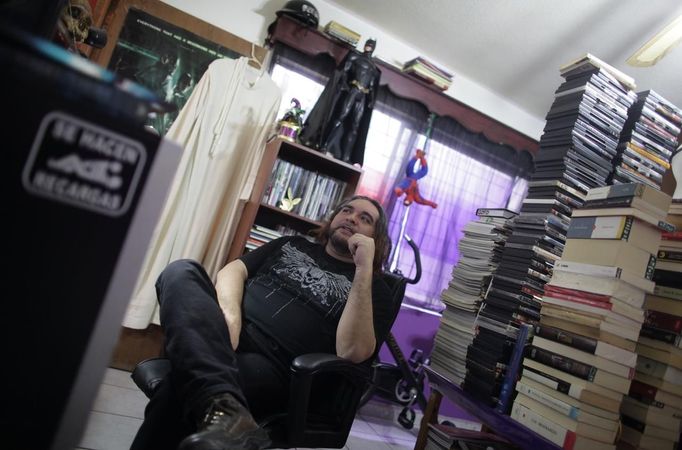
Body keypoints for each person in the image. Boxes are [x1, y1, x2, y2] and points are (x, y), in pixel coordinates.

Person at [130, 195, 395, 450]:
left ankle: (220, 403)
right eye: (347, 210)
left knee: (179, 386)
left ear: (376, 238)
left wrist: (363, 269)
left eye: (365, 218)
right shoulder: (290, 245)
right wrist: (230, 316)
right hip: (225, 335)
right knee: (181, 270)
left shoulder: (374, 289)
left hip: (274, 366)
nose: (351, 218)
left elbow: (352, 351)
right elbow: (234, 270)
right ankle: (225, 407)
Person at [300, 39, 381, 165]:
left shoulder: (374, 69)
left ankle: (346, 156)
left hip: (363, 96)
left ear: (374, 47)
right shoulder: (355, 57)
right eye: (367, 44)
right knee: (339, 118)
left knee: (355, 127)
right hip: (353, 90)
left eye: (371, 45)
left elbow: (371, 86)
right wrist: (344, 84)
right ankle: (324, 145)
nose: (368, 46)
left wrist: (371, 100)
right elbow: (344, 72)